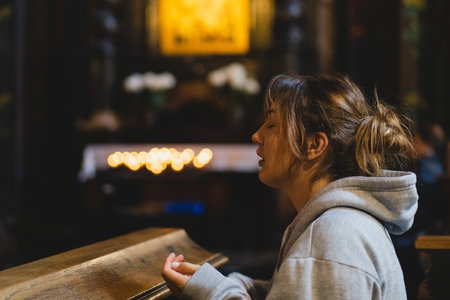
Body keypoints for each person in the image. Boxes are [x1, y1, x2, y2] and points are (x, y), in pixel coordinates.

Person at [161, 73, 418, 299]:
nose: (257, 135)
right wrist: (217, 285)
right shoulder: (338, 226)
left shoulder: (331, 237)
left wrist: (215, 294)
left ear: (314, 145)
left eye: (272, 125)